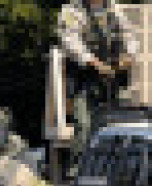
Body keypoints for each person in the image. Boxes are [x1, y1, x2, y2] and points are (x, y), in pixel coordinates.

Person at [58, 0, 139, 158]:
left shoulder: (113, 7)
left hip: (114, 76)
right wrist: (93, 62)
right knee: (84, 124)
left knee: (123, 121)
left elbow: (129, 34)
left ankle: (119, 165)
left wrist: (128, 55)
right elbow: (70, 41)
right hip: (84, 78)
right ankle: (79, 167)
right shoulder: (71, 10)